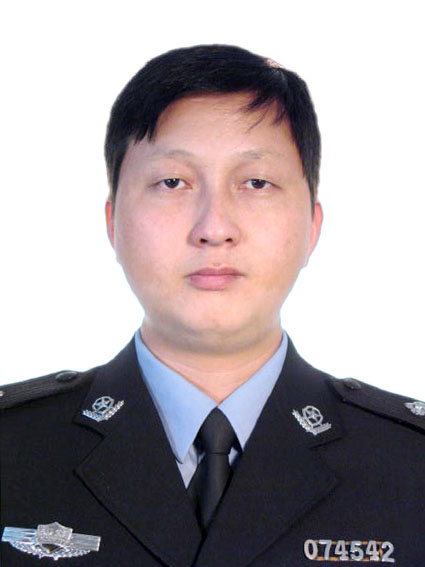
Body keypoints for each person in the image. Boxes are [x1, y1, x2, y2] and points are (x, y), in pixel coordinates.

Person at [1, 44, 424, 566]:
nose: (214, 228)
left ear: (312, 226)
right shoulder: (13, 447)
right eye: (172, 182)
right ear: (112, 222)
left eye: (256, 183)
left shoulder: (411, 462)